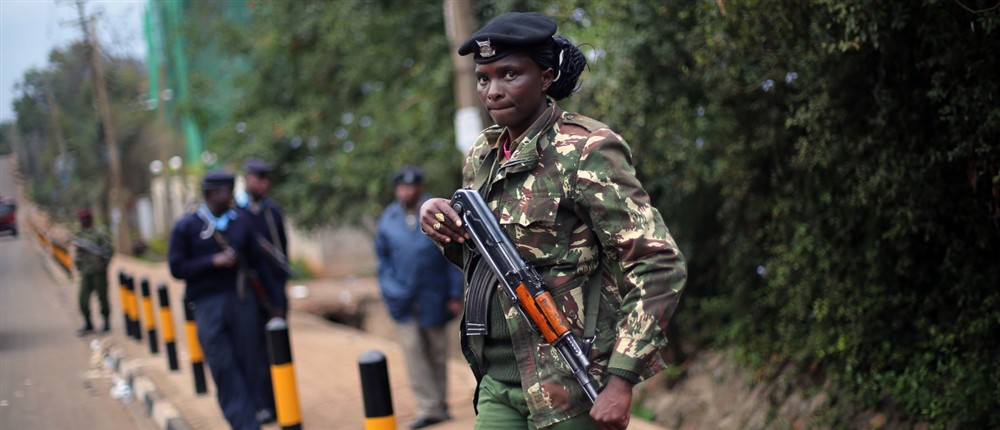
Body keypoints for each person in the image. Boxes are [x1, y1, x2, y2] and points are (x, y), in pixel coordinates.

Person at [418, 12, 687, 430]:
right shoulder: (482, 156)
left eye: (509, 74)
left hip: (569, 387)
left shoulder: (585, 149)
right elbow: (487, 263)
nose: (493, 91)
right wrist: (440, 223)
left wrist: (621, 380)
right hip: (497, 379)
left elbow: (657, 262)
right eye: (484, 78)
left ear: (545, 78)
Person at [168, 170, 266, 430]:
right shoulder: (187, 226)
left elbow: (258, 264)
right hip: (207, 305)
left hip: (241, 301)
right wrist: (213, 261)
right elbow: (177, 268)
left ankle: (248, 419)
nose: (231, 196)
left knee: (249, 362)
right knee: (222, 365)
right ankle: (245, 424)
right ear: (213, 194)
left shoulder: (241, 222)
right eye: (227, 191)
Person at [375, 166, 464, 429]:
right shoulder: (387, 219)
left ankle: (440, 403)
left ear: (420, 188)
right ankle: (428, 407)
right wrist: (391, 292)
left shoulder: (436, 213)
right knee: (414, 354)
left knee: (437, 352)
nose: (406, 191)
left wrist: (454, 294)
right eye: (402, 187)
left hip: (434, 298)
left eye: (411, 187)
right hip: (403, 301)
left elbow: (453, 257)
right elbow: (383, 263)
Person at [235, 157, 289, 424]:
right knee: (254, 352)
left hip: (273, 292)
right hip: (247, 295)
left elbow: (282, 255)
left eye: (266, 179)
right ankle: (263, 403)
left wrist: (279, 295)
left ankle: (282, 402)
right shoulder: (235, 213)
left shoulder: (271, 212)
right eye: (258, 178)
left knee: (278, 350)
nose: (263, 184)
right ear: (247, 179)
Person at [73, 208, 114, 336]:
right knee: (82, 299)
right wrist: (79, 260)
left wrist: (103, 265)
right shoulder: (80, 235)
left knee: (103, 298)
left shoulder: (99, 233)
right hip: (86, 271)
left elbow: (109, 251)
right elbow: (77, 255)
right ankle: (88, 324)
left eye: (86, 219)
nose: (83, 221)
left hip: (98, 271)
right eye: (82, 219)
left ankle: (106, 322)